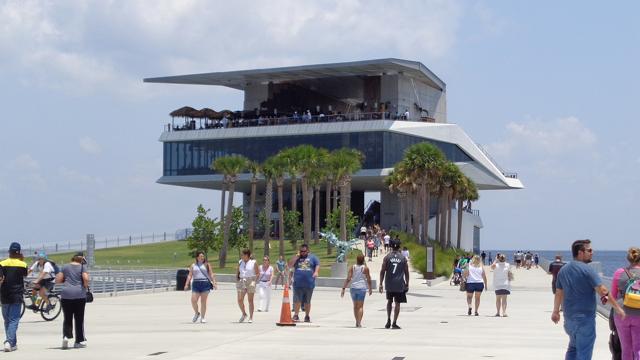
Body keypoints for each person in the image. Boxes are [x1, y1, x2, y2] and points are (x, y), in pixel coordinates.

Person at [552, 239, 623, 360]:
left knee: (573, 348)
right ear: (580, 252)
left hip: (569, 319)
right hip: (585, 320)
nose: (592, 252)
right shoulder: (588, 270)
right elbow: (603, 291)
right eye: (589, 250)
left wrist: (556, 312)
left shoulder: (563, 270)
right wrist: (618, 309)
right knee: (584, 352)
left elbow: (558, 293)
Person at [610, 247, 640, 359]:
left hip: (621, 313)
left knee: (626, 349)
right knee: (638, 348)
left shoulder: (619, 272)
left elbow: (612, 296)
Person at [55, 252, 89, 349]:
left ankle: (66, 337)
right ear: (82, 259)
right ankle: (78, 341)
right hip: (79, 295)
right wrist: (85, 286)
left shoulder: (65, 267)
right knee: (79, 319)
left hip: (66, 295)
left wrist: (65, 280)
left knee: (67, 318)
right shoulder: (83, 267)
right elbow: (86, 279)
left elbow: (58, 280)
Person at [0, 242, 27, 352]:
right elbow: (25, 275)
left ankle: (12, 343)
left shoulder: (2, 263)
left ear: (9, 252)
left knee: (7, 320)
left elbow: (0, 279)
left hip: (4, 295)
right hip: (17, 295)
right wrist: (21, 259)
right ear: (19, 252)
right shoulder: (23, 264)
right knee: (14, 319)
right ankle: (9, 342)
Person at [379, 238, 409, 329]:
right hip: (399, 284)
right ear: (399, 246)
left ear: (391, 246)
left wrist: (380, 283)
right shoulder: (403, 258)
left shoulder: (387, 257)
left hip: (389, 283)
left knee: (389, 301)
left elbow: (382, 271)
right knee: (397, 303)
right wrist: (407, 283)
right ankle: (394, 322)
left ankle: (388, 319)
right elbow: (407, 272)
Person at [289, 244, 320, 323]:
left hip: (309, 283)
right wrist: (296, 256)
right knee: (297, 300)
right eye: (301, 251)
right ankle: (296, 315)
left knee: (307, 301)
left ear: (308, 251)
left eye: (304, 251)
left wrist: (316, 272)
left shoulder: (313, 257)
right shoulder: (297, 258)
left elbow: (317, 264)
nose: (302, 253)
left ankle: (307, 316)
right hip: (298, 283)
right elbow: (289, 265)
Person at [183, 251, 217, 324]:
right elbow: (190, 275)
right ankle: (197, 313)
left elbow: (211, 274)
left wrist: (214, 282)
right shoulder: (193, 265)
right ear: (197, 257)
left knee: (203, 301)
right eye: (200, 256)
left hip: (205, 283)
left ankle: (203, 317)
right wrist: (186, 284)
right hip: (196, 283)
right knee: (193, 300)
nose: (202, 257)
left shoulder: (207, 265)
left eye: (203, 256)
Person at [341, 254, 372, 328]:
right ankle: (359, 322)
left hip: (353, 288)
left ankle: (357, 321)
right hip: (362, 288)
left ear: (357, 259)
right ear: (363, 260)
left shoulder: (353, 267)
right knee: (360, 306)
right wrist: (370, 288)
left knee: (355, 306)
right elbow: (369, 279)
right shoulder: (365, 268)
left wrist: (343, 288)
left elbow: (348, 278)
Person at [236, 249, 259, 323]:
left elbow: (258, 273)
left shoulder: (253, 262)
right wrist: (237, 280)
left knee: (250, 300)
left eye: (242, 254)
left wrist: (254, 282)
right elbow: (237, 272)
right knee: (240, 299)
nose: (241, 256)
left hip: (251, 280)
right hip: (242, 280)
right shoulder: (240, 262)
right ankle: (244, 313)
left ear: (246, 255)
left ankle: (251, 317)